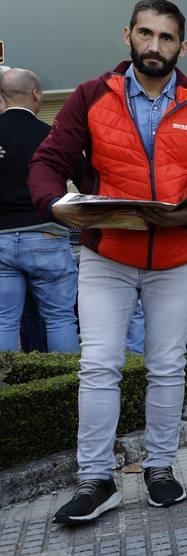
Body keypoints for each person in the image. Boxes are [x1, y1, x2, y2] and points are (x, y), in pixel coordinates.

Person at [30, 0, 187, 523]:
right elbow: (49, 160)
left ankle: (160, 468)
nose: (154, 46)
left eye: (166, 38)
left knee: (168, 367)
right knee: (99, 365)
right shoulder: (90, 96)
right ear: (128, 35)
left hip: (175, 257)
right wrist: (55, 205)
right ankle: (95, 479)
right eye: (145, 34)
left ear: (181, 46)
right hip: (107, 254)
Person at [0, 68, 79, 354]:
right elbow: (84, 180)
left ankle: (6, 393)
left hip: (1, 239)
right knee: (59, 319)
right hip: (46, 236)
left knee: (3, 321)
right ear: (35, 94)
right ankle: (65, 392)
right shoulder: (51, 137)